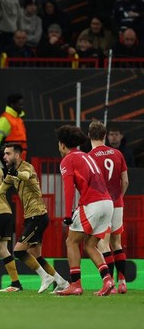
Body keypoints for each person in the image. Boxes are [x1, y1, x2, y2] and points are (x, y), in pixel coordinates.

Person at [0, 143, 70, 293]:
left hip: (38, 216)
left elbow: (26, 176)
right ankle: (62, 282)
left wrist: (15, 173)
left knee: (19, 251)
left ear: (17, 155)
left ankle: (45, 277)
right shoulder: (12, 173)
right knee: (37, 255)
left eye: (8, 153)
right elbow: (1, 189)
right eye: (4, 154)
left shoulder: (26, 167)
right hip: (31, 217)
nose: (4, 156)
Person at [55, 125, 114, 296]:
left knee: (71, 242)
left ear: (63, 145)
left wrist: (67, 215)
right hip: (107, 203)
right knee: (90, 245)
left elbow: (68, 189)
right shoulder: (87, 157)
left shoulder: (67, 160)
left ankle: (75, 284)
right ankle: (108, 279)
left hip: (92, 203)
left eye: (59, 144)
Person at [87, 121, 129, 294]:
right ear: (105, 136)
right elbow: (125, 181)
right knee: (117, 242)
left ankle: (109, 283)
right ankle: (122, 281)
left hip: (101, 203)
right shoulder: (118, 153)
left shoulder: (89, 156)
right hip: (117, 202)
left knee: (103, 243)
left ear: (89, 136)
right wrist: (119, 197)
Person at [0, 94, 26, 159]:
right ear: (12, 105)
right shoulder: (5, 120)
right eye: (19, 105)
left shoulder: (19, 120)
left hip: (18, 160)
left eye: (22, 105)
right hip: (9, 161)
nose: (22, 107)